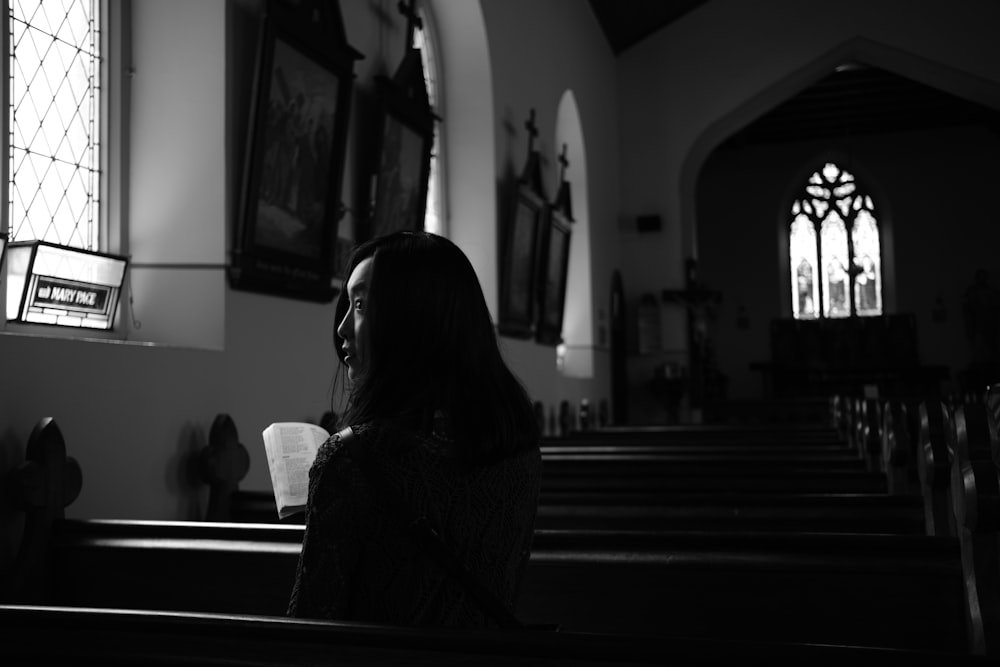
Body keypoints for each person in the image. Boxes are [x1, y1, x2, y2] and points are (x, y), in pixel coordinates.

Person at [288, 230, 542, 627]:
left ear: (413, 321)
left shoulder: (351, 459)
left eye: (359, 306)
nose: (341, 330)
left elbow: (309, 629)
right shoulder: (516, 446)